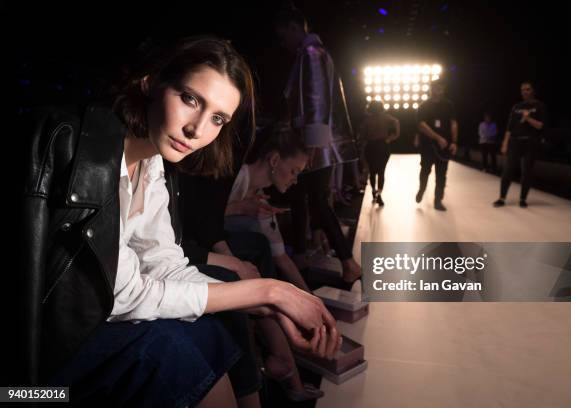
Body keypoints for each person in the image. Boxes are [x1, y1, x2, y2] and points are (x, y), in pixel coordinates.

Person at [18, 36, 340, 408]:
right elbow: (126, 295)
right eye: (190, 99)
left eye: (218, 118)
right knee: (167, 353)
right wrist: (268, 291)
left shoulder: (153, 167)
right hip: (32, 383)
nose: (197, 129)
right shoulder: (81, 151)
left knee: (212, 325)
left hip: (83, 338)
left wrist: (270, 305)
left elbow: (166, 265)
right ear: (151, 82)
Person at [224, 123, 326, 401]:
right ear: (274, 160)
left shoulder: (260, 201)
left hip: (246, 267)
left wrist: (311, 300)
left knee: (260, 245)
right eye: (294, 171)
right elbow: (199, 225)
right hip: (214, 263)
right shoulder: (234, 178)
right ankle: (284, 367)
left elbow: (280, 256)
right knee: (255, 239)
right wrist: (238, 209)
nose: (295, 180)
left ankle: (285, 366)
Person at [274, 7, 361, 283]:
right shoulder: (309, 54)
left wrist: (312, 145)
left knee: (316, 202)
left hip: (315, 143)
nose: (282, 43)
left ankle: (347, 262)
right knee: (304, 199)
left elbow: (317, 99)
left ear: (293, 27)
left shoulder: (313, 54)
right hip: (312, 141)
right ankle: (305, 255)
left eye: (282, 35)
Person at [493, 81, 547, 208]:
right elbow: (509, 127)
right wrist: (505, 143)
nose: (525, 92)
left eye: (527, 89)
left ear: (533, 90)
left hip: (530, 142)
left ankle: (523, 199)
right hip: (515, 141)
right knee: (508, 170)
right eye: (523, 90)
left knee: (526, 171)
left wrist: (528, 119)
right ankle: (501, 198)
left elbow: (540, 126)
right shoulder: (516, 106)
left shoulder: (540, 106)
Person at [415, 79, 458, 211]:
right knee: (425, 170)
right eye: (434, 87)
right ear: (430, 88)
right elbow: (422, 125)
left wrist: (455, 142)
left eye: (440, 87)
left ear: (443, 89)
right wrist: (437, 137)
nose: (437, 90)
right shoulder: (423, 106)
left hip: (444, 146)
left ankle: (438, 200)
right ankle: (422, 189)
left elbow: (453, 123)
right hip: (428, 145)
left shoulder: (449, 105)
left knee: (442, 174)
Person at [359, 100, 400, 206]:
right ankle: (379, 194)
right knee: (381, 171)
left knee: (373, 172)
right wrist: (391, 138)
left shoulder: (367, 120)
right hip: (382, 146)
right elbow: (396, 122)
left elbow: (362, 136)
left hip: (372, 146)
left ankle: (374, 192)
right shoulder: (386, 117)